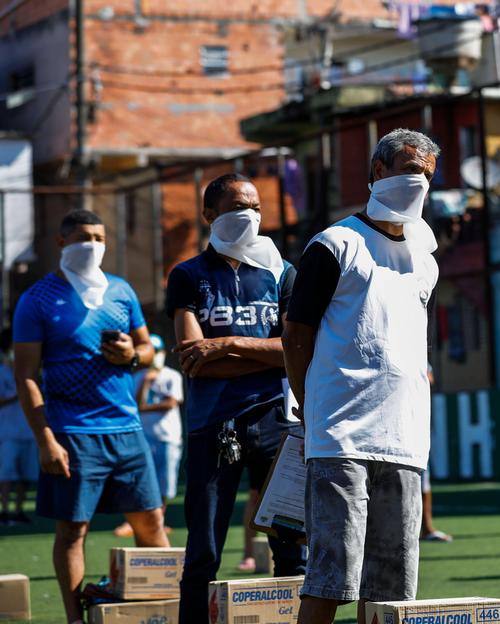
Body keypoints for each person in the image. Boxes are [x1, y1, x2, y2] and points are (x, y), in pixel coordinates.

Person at [283, 129, 441, 623]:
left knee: (393, 588)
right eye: (409, 169)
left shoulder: (424, 257)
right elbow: (295, 333)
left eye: (427, 175)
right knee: (332, 579)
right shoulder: (336, 244)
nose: (418, 181)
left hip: (406, 439)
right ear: (377, 172)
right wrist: (309, 403)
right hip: (341, 436)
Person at [13, 209, 168, 623]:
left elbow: (149, 348)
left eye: (99, 237)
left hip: (128, 428)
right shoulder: (37, 299)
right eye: (83, 237)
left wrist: (133, 356)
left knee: (152, 523)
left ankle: (161, 610)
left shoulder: (121, 290)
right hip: (72, 432)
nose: (93, 245)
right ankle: (74, 618)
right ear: (61, 243)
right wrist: (45, 439)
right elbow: (25, 376)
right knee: (72, 531)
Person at [167, 173, 306, 621]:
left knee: (289, 542)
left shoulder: (282, 272)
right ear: (209, 215)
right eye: (236, 207)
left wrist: (225, 344)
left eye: (256, 207)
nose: (249, 215)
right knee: (204, 547)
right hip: (213, 425)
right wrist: (264, 354)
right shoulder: (188, 275)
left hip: (277, 421)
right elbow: (194, 359)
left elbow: (296, 350)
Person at [114, 334, 184, 537]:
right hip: (143, 437)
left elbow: (171, 403)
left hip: (167, 436)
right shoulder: (137, 377)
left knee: (164, 483)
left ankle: (159, 521)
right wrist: (146, 382)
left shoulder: (172, 376)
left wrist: (144, 407)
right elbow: (134, 405)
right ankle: (134, 521)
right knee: (139, 481)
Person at [0, 328, 35, 525]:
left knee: (25, 475)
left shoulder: (30, 371)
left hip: (28, 432)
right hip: (7, 433)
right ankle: (4, 510)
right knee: (6, 473)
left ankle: (19, 510)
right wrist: (21, 392)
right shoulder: (2, 372)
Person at [421, 365, 452, 543]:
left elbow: (429, 379)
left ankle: (427, 527)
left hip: (415, 426)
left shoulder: (416, 351)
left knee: (424, 480)